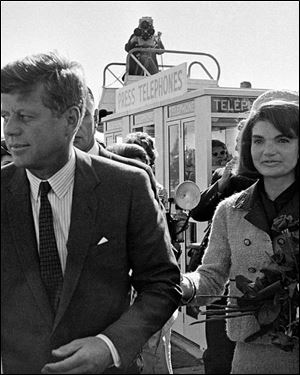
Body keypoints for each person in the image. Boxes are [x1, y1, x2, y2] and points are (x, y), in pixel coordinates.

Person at [1, 51, 182, 374]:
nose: (9, 130)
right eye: (4, 116)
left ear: (71, 119)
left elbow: (162, 283)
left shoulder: (126, 186)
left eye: (24, 117)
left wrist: (110, 345)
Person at [181, 100, 299, 373]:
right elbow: (211, 277)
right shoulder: (230, 210)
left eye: (283, 140)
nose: (268, 151)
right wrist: (183, 286)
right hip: (250, 355)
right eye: (258, 141)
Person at [188, 122, 256, 374]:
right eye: (241, 142)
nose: (240, 148)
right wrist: (220, 186)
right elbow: (198, 211)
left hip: (256, 288)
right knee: (218, 354)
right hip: (222, 282)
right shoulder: (225, 178)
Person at [108, 140, 178, 374]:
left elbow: (164, 268)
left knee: (155, 359)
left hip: (150, 310)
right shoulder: (103, 210)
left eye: (141, 170)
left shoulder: (156, 208)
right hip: (116, 318)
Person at [73, 87, 160, 204]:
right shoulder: (44, 173)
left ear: (96, 117)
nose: (74, 125)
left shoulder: (135, 176)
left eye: (82, 115)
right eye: (64, 117)